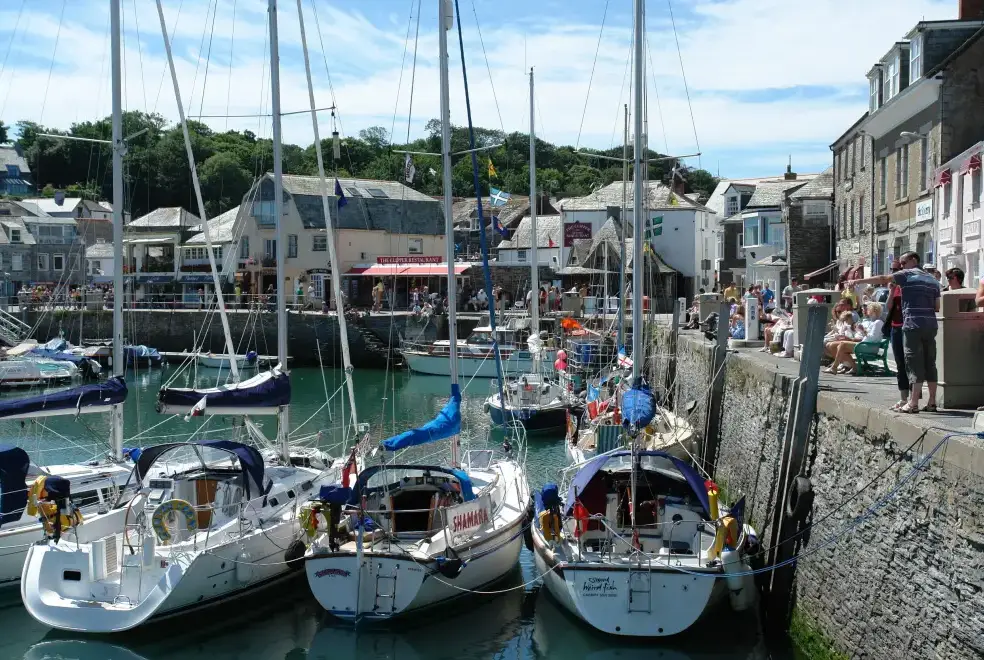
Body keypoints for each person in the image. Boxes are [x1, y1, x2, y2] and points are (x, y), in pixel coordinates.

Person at [849, 251, 940, 413]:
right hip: (931, 324)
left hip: (912, 323)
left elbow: (883, 279)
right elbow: (937, 307)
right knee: (930, 363)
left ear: (913, 260)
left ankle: (912, 404)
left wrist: (858, 280)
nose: (901, 267)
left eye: (904, 263)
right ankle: (932, 402)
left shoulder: (907, 275)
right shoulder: (932, 279)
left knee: (913, 363)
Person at [824, 302, 885, 375]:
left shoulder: (878, 322)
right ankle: (854, 367)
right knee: (833, 345)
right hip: (864, 344)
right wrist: (859, 330)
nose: (867, 310)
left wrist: (863, 331)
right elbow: (865, 335)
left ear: (873, 311)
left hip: (870, 347)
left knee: (842, 344)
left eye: (868, 309)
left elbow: (871, 338)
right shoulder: (871, 321)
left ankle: (834, 368)